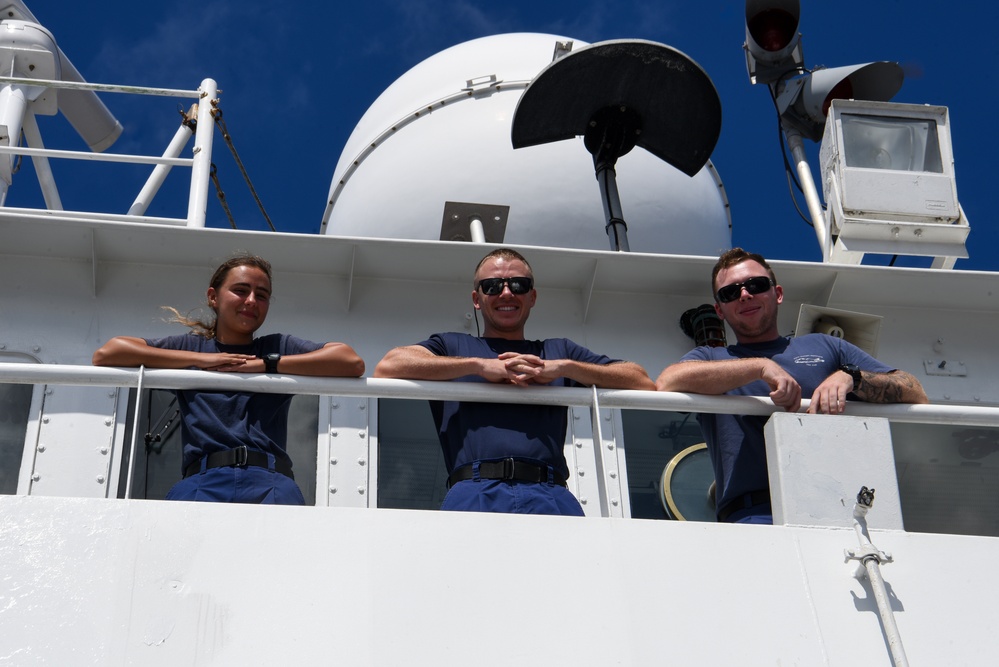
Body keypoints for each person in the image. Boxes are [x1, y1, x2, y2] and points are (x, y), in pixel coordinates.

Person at [655, 248, 928, 524]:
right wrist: (759, 367)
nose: (745, 294)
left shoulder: (825, 345)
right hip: (752, 515)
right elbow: (667, 382)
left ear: (778, 294)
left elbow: (915, 392)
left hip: (841, 508)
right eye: (730, 292)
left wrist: (850, 377)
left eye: (756, 285)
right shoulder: (710, 358)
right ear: (720, 311)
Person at [374, 248, 655, 516]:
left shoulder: (558, 352)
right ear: (476, 298)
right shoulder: (451, 345)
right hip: (474, 490)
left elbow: (640, 380)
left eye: (518, 284)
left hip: (551, 492)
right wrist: (480, 366)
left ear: (532, 296)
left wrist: (564, 368)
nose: (506, 293)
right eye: (492, 285)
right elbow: (390, 366)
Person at [93, 254, 364, 505]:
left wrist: (267, 364)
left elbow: (350, 361)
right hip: (201, 481)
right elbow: (109, 353)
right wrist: (202, 360)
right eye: (241, 291)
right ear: (213, 297)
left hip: (271, 482)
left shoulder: (277, 346)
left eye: (262, 295)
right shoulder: (192, 347)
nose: (251, 301)